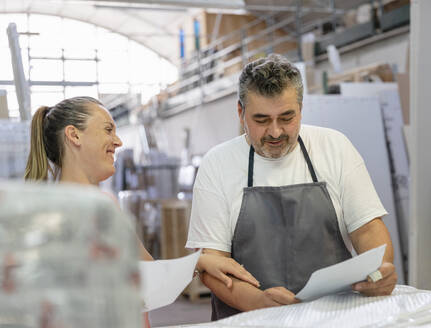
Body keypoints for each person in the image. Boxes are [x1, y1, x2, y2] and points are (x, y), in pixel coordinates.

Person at [185, 54, 398, 320]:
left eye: (287, 117)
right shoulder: (218, 164)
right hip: (248, 318)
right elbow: (211, 265)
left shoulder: (335, 147)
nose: (275, 132)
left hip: (332, 318)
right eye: (261, 120)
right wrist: (259, 302)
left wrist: (379, 272)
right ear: (240, 112)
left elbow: (368, 230)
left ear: (301, 107)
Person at [24, 97, 260, 325]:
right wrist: (198, 263)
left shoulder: (102, 203)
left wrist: (199, 263)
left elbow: (147, 278)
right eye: (108, 130)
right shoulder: (62, 212)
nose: (118, 141)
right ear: (74, 135)